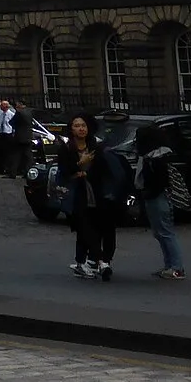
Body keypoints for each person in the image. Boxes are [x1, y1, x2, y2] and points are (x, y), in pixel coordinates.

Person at [64, 114, 125, 281]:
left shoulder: (95, 147)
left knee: (96, 229)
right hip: (78, 194)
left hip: (97, 194)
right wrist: (78, 166)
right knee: (84, 228)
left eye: (83, 125)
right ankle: (98, 262)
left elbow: (104, 172)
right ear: (71, 129)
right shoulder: (67, 149)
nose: (81, 128)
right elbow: (64, 172)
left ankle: (89, 261)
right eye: (77, 125)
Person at [137, 127, 187, 281]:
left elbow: (158, 182)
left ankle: (176, 267)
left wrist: (147, 193)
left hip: (159, 198)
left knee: (165, 232)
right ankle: (170, 266)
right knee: (161, 233)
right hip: (158, 197)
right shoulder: (157, 156)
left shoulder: (156, 159)